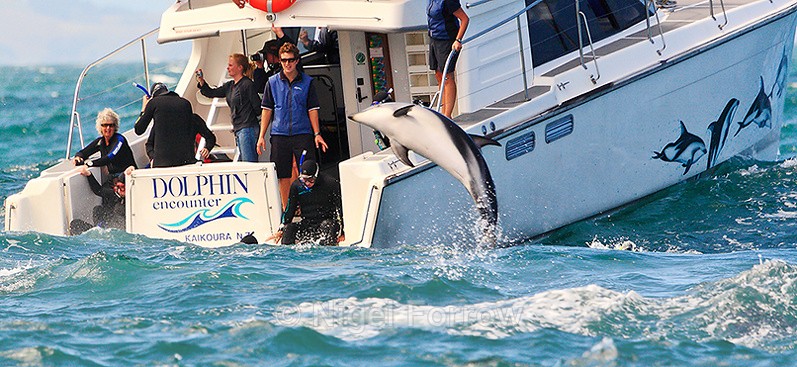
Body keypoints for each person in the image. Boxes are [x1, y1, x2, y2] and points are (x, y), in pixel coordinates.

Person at [257, 42, 329, 209]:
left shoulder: (307, 82)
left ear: (297, 60)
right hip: (279, 134)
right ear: (280, 61)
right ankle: (287, 208)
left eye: (290, 60)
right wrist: (261, 136)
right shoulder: (272, 82)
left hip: (302, 132)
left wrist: (317, 133)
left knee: (306, 172)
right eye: (283, 60)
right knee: (282, 174)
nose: (287, 64)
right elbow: (267, 109)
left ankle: (308, 207)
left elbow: (312, 109)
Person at [197, 54, 261, 162]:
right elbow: (212, 92)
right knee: (245, 162)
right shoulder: (230, 86)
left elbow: (257, 107)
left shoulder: (247, 84)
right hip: (239, 128)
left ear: (240, 67)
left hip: (247, 127)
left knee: (249, 163)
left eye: (231, 65)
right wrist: (201, 81)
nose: (228, 68)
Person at [270, 160, 344, 245]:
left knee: (327, 225)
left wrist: (343, 233)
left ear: (316, 175)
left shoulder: (330, 183)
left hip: (327, 222)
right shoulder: (297, 186)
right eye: (304, 180)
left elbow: (340, 208)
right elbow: (289, 209)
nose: (307, 183)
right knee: (289, 228)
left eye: (311, 180)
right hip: (307, 224)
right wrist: (281, 229)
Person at [134, 83, 200, 168]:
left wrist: (144, 109)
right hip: (187, 161)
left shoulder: (154, 103)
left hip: (162, 163)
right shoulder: (185, 103)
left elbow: (139, 129)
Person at [427, 0, 469, 118]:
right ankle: (443, 111)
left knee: (447, 76)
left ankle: (447, 114)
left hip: (447, 40)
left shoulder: (448, 1)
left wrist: (458, 40)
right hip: (434, 38)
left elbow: (465, 19)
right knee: (439, 75)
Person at [69, 165, 135, 235]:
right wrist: (89, 174)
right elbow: (98, 190)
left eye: (123, 187)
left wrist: (131, 169)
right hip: (106, 228)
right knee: (97, 210)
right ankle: (98, 230)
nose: (120, 190)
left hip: (122, 229)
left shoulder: (134, 197)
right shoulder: (115, 194)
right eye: (118, 187)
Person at [72, 108, 137, 177]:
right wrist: (78, 157)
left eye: (111, 125)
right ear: (100, 127)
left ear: (115, 127)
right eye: (105, 125)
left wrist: (89, 164)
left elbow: (109, 158)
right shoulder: (100, 141)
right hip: (113, 177)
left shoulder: (120, 140)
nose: (108, 128)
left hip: (127, 175)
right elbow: (84, 152)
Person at [145, 113, 217, 164]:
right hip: (165, 163)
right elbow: (149, 144)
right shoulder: (161, 122)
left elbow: (210, 137)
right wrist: (153, 158)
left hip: (188, 161)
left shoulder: (193, 119)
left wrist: (207, 148)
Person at [253, 25, 296, 94]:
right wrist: (260, 68)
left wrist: (281, 35)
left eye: (267, 54)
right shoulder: (272, 73)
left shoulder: (287, 69)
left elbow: (293, 51)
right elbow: (260, 88)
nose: (266, 57)